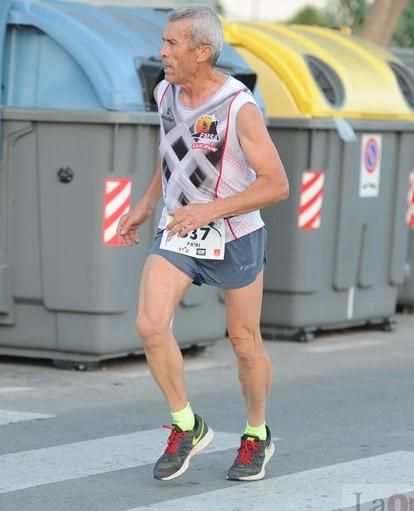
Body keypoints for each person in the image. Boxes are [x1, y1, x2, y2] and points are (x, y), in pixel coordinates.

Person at [117, 5, 288, 482]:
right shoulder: (165, 91)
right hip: (179, 227)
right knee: (151, 325)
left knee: (244, 341)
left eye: (172, 44)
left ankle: (257, 433)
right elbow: (172, 156)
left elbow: (276, 184)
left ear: (202, 52)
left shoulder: (239, 108)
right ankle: (185, 424)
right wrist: (149, 203)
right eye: (164, 42)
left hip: (235, 232)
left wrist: (209, 210)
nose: (162, 51)